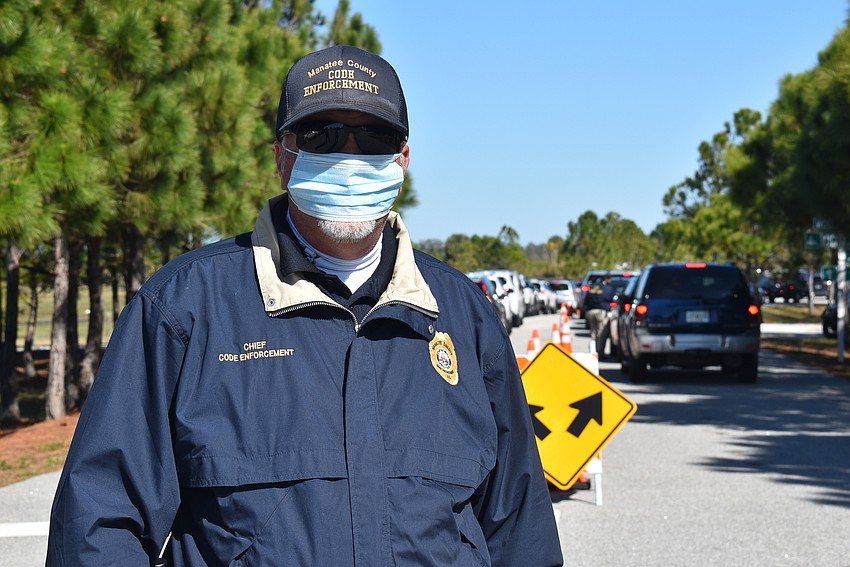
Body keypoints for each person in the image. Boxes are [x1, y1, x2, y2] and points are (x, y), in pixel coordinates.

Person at [47, 45, 563, 566]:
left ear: (403, 159)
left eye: (374, 136)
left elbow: (520, 531)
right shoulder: (184, 309)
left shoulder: (464, 318)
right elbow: (98, 523)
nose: (350, 155)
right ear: (281, 159)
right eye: (323, 136)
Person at [584, 274, 615, 356]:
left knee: (593, 333)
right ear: (606, 279)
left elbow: (586, 299)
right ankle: (599, 353)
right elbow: (611, 299)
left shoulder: (592, 287)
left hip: (590, 311)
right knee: (601, 334)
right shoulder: (608, 288)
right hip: (601, 312)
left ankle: (592, 351)